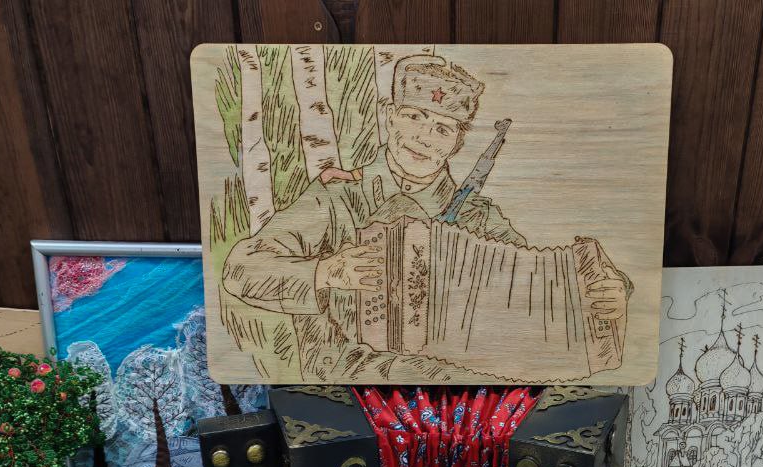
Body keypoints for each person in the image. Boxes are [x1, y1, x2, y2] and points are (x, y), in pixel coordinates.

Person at [223, 53, 629, 380]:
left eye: (443, 128)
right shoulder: (339, 197)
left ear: (458, 143)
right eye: (414, 117)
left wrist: (608, 293)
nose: (424, 137)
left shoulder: (477, 217)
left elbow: (541, 285)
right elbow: (240, 269)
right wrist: (325, 272)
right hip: (350, 384)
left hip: (461, 385)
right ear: (388, 115)